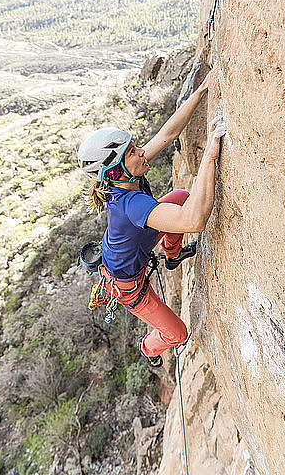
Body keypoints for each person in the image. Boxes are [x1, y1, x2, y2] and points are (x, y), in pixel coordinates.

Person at [78, 71, 226, 367]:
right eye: (132, 152)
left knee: (180, 194)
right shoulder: (130, 204)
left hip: (142, 243)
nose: (141, 152)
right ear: (116, 172)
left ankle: (173, 255)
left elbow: (167, 134)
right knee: (177, 333)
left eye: (134, 146)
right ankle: (148, 348)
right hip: (128, 285)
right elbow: (193, 221)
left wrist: (200, 92)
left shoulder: (128, 176)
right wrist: (210, 155)